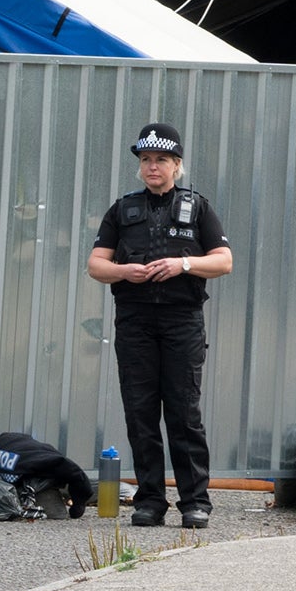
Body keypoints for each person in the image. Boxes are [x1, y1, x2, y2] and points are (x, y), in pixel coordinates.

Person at [86, 123, 233, 529]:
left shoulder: (197, 208)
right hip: (135, 323)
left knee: (184, 413)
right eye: (146, 160)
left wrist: (182, 264)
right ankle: (150, 500)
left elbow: (223, 261)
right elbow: (96, 265)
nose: (153, 167)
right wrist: (123, 271)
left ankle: (195, 502)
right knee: (141, 413)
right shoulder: (123, 209)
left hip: (180, 321)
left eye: (162, 160)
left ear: (177, 165)